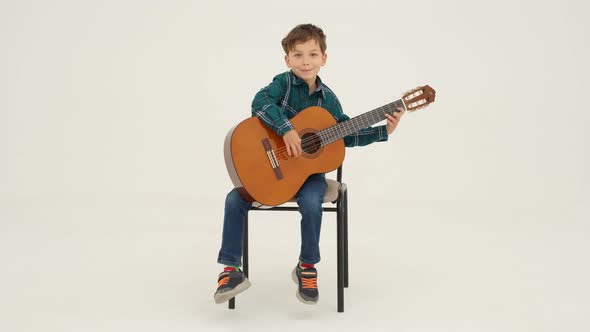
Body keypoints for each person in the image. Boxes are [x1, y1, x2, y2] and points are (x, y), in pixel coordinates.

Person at [214, 23, 405, 305]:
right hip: (273, 174)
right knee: (234, 199)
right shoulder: (283, 83)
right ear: (287, 59)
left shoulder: (329, 100)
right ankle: (231, 271)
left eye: (313, 55)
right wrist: (286, 129)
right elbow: (260, 102)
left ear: (324, 59)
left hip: (309, 177)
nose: (306, 61)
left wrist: (382, 131)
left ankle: (306, 267)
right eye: (299, 55)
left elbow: (345, 136)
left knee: (312, 199)